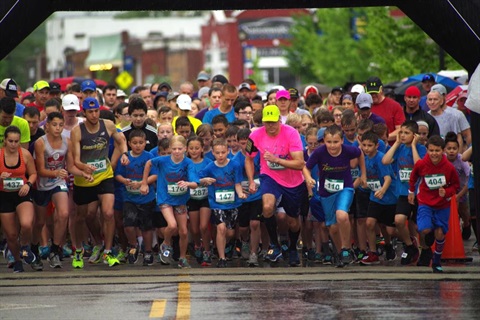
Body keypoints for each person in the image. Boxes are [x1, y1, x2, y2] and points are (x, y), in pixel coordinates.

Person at [70, 97, 129, 269]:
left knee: (108, 213)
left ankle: (108, 252)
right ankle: (81, 249)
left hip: (104, 175)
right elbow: (75, 160)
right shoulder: (77, 131)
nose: (94, 115)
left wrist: (121, 156)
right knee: (84, 216)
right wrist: (84, 168)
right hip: (85, 178)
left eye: (96, 111)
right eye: (90, 112)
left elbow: (121, 141)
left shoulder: (108, 125)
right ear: (84, 113)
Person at [245, 105, 307, 267]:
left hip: (293, 181)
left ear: (280, 120)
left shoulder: (292, 134)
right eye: (267, 123)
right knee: (267, 207)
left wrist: (277, 160)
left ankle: (293, 248)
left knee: (293, 221)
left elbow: (300, 163)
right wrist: (252, 180)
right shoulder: (255, 135)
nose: (271, 127)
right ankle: (275, 244)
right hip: (269, 176)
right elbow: (249, 159)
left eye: (274, 122)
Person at [33, 112, 92, 269]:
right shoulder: (40, 143)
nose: (58, 128)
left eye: (60, 125)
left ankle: (55, 249)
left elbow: (71, 166)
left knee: (64, 213)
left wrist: (83, 173)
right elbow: (40, 170)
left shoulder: (67, 142)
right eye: (54, 125)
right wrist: (55, 172)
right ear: (47, 126)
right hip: (42, 184)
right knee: (39, 222)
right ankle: (33, 249)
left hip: (59, 182)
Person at [304, 125, 367, 267]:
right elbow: (306, 167)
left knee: (342, 215)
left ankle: (345, 248)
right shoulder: (319, 152)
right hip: (326, 193)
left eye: (335, 142)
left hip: (345, 188)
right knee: (332, 227)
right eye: (329, 142)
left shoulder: (348, 150)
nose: (332, 146)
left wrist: (363, 174)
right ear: (324, 141)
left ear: (342, 141)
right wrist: (308, 178)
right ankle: (341, 254)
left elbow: (360, 153)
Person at [140, 135, 199, 268]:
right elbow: (148, 164)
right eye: (174, 149)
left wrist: (188, 183)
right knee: (172, 225)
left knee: (183, 231)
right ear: (170, 149)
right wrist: (144, 183)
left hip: (180, 199)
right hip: (165, 197)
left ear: (185, 149)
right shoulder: (163, 160)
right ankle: (166, 243)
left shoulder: (188, 163)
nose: (177, 151)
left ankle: (182, 258)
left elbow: (195, 183)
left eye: (179, 149)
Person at [408, 135, 460, 273]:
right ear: (427, 150)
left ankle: (436, 261)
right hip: (425, 202)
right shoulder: (421, 164)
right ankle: (428, 233)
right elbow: (413, 177)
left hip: (442, 205)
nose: (434, 154)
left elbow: (456, 185)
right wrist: (411, 191)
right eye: (431, 150)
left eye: (437, 150)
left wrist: (447, 191)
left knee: (440, 233)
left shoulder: (449, 167)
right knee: (424, 229)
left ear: (442, 151)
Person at [382, 120, 426, 265]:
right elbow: (385, 160)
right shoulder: (398, 148)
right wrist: (396, 143)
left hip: (419, 192)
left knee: (420, 226)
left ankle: (425, 250)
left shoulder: (421, 149)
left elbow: (419, 166)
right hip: (403, 192)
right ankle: (410, 246)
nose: (402, 135)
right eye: (401, 132)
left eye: (406, 133)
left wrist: (413, 145)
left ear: (415, 135)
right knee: (399, 220)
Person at [199, 138, 247, 267]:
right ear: (213, 153)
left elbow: (237, 183)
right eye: (218, 153)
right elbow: (200, 178)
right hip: (216, 203)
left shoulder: (235, 165)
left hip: (233, 203)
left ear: (228, 151)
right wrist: (205, 180)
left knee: (230, 232)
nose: (220, 155)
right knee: (221, 228)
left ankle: (228, 245)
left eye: (223, 152)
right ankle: (222, 258)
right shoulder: (210, 167)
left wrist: (240, 193)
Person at [114, 129, 156, 266]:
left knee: (146, 226)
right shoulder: (125, 158)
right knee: (128, 224)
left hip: (146, 198)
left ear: (145, 143)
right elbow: (118, 174)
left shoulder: (149, 157)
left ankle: (148, 251)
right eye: (135, 143)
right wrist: (124, 180)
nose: (138, 145)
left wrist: (143, 183)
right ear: (129, 144)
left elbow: (155, 175)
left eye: (141, 143)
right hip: (129, 197)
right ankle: (133, 246)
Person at [0, 126, 37, 273]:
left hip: (21, 193)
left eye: (16, 141)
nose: (14, 144)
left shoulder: (25, 154)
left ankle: (25, 247)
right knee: (11, 234)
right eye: (11, 141)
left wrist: (28, 184)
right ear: (5, 141)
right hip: (4, 195)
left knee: (27, 224)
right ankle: (17, 260)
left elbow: (33, 174)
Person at [357, 131, 397, 265]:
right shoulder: (363, 158)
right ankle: (372, 252)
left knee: (387, 228)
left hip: (389, 198)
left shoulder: (381, 158)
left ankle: (389, 244)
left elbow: (388, 178)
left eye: (370, 145)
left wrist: (382, 190)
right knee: (369, 223)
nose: (366, 148)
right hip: (374, 197)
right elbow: (361, 176)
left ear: (376, 146)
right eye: (364, 145)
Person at [234, 128, 263, 266]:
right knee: (244, 227)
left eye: (248, 143)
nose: (246, 146)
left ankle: (253, 253)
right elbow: (235, 180)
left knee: (255, 223)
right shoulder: (235, 160)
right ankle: (244, 241)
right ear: (238, 143)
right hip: (242, 197)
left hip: (257, 195)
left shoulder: (258, 155)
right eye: (243, 143)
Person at [185, 137, 213, 266]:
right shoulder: (185, 163)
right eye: (191, 148)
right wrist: (201, 181)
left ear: (202, 148)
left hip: (205, 198)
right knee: (195, 229)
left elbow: (213, 177)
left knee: (203, 226)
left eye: (197, 148)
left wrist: (209, 180)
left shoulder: (208, 162)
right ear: (187, 149)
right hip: (191, 199)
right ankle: (197, 245)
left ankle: (207, 251)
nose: (194, 151)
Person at [444, 132, 471, 240]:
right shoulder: (442, 159)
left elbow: (469, 179)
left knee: (463, 211)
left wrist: (459, 195)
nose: (451, 151)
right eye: (449, 148)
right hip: (447, 190)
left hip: (461, 190)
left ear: (458, 149)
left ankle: (466, 224)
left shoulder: (462, 160)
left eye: (454, 148)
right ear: (444, 149)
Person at [365, 76, 405, 142]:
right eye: (370, 93)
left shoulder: (394, 106)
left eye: (375, 92)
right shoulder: (364, 107)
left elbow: (401, 130)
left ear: (381, 90)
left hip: (389, 147)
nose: (373, 95)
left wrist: (382, 138)